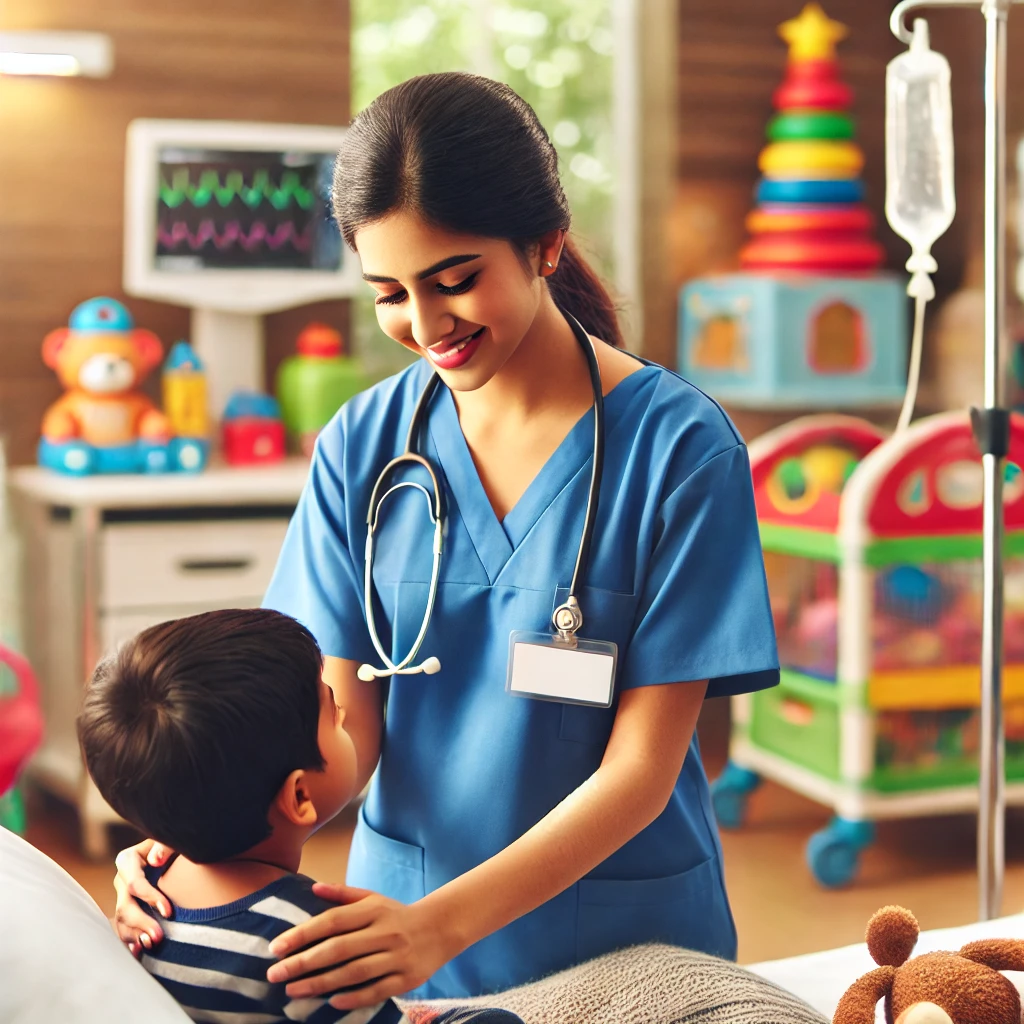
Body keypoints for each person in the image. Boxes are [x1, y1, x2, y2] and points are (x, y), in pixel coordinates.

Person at [112, 71, 779, 1007]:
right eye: (389, 292)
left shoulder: (678, 449)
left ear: (545, 245)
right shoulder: (364, 446)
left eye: (454, 281)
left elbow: (641, 772)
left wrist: (442, 926)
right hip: (397, 940)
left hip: (620, 948)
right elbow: (334, 727)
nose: (425, 328)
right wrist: (199, 837)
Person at [78, 608, 522, 1024]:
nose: (346, 712)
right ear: (300, 795)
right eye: (334, 713)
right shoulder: (311, 937)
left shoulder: (145, 898)